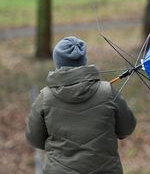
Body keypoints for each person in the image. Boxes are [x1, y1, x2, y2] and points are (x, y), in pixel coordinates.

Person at [26, 36, 136, 174]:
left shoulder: (45, 98)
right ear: (84, 61)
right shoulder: (107, 92)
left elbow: (35, 139)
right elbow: (127, 128)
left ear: (58, 63)